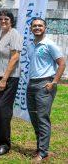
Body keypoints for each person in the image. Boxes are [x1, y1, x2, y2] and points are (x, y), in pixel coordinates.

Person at [27, 18, 66, 162]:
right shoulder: (31, 45)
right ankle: (39, 147)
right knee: (34, 118)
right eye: (34, 26)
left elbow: (62, 63)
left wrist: (54, 82)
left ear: (45, 28)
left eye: (40, 25)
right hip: (31, 85)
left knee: (42, 119)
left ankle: (43, 153)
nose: (37, 28)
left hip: (44, 85)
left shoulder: (49, 44)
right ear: (31, 29)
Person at [0, 10, 22, 155]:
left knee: (3, 109)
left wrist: (4, 79)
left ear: (11, 21)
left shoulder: (14, 34)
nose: (3, 21)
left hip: (9, 77)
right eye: (0, 19)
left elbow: (15, 57)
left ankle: (5, 144)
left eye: (6, 19)